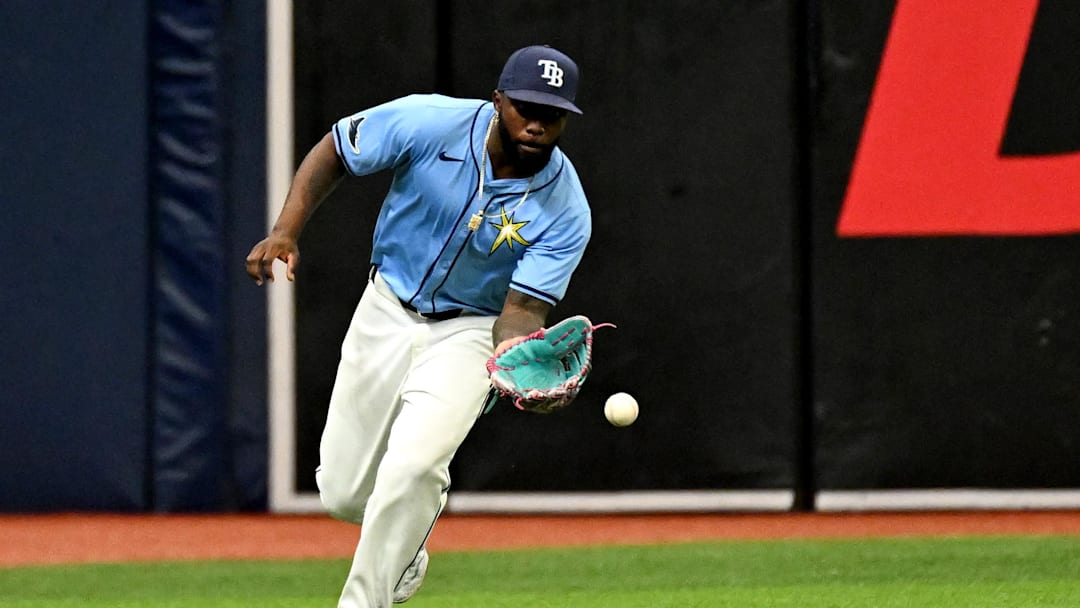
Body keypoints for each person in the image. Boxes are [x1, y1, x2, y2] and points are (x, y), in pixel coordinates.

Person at [245, 45, 591, 607]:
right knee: (342, 492)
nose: (536, 123)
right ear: (497, 99)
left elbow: (521, 310)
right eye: (525, 106)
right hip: (386, 306)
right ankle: (406, 542)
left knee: (412, 465)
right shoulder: (430, 121)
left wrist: (519, 358)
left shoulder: (565, 207)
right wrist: (286, 229)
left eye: (552, 114)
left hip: (471, 329)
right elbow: (336, 148)